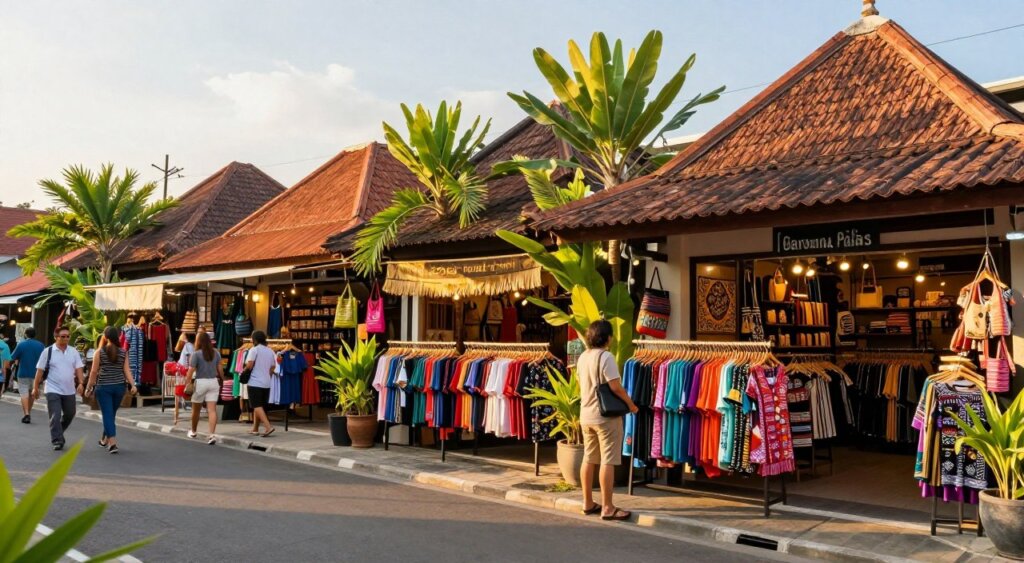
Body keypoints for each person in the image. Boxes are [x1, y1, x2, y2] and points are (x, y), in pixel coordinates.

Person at [577, 319, 638, 521]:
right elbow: (615, 387)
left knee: (589, 458)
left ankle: (587, 503)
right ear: (607, 337)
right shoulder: (606, 357)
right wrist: (630, 404)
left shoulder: (583, 357)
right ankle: (608, 507)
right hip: (605, 417)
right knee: (608, 460)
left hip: (586, 415)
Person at [85, 326, 137, 454]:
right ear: (118, 336)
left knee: (107, 415)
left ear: (105, 337)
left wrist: (89, 387)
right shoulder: (123, 352)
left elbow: (94, 372)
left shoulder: (99, 352)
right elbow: (127, 370)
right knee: (110, 414)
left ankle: (113, 444)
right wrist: (133, 384)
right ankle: (104, 440)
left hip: (104, 388)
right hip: (120, 387)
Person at [33, 326, 85, 451]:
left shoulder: (73, 351)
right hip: (52, 388)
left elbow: (79, 368)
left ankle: (58, 432)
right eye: (63, 336)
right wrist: (35, 388)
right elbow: (40, 371)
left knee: (70, 413)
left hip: (69, 389)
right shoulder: (48, 351)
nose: (66, 338)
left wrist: (81, 383)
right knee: (55, 415)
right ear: (56, 337)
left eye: (68, 336)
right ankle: (57, 440)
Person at [187, 331, 223, 444]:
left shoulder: (196, 354)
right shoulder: (216, 353)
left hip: (200, 382)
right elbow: (220, 369)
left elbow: (190, 370)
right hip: (213, 382)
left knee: (196, 410)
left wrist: (187, 382)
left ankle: (193, 431)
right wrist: (222, 379)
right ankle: (212, 435)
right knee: (212, 410)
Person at [244, 330, 275, 437]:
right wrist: (268, 376)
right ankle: (255, 428)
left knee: (256, 405)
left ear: (254, 339)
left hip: (255, 382)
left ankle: (268, 427)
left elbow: (250, 365)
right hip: (266, 382)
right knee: (260, 405)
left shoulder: (254, 350)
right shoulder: (270, 351)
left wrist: (243, 372)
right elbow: (272, 367)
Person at [12, 327, 44, 424]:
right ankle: (28, 412)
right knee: (31, 394)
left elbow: (12, 356)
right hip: (36, 374)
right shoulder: (41, 345)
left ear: (26, 334)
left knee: (24, 394)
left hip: (23, 373)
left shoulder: (21, 344)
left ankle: (26, 414)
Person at [173, 332, 195, 424]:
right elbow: (190, 360)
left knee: (178, 393)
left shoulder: (187, 345)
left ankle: (176, 417)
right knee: (189, 392)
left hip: (182, 370)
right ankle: (189, 416)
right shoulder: (189, 345)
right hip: (185, 371)